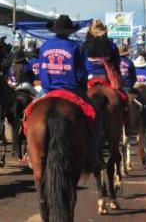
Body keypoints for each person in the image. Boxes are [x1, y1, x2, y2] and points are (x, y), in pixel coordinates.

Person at [36, 14, 103, 170]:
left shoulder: (45, 46)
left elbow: (41, 70)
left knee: (27, 114)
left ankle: (28, 150)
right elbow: (81, 73)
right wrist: (82, 84)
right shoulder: (75, 47)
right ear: (69, 31)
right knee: (96, 115)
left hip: (48, 90)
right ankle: (93, 156)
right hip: (72, 90)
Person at [84, 19, 122, 89]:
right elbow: (117, 63)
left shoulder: (84, 46)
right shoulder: (111, 45)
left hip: (88, 77)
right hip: (106, 77)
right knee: (123, 96)